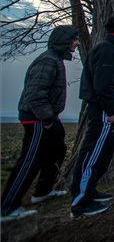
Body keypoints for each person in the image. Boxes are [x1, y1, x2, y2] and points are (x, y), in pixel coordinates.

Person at [1, 26, 80, 222]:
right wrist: (46, 119)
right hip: (36, 118)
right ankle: (7, 207)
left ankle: (43, 191)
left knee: (57, 149)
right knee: (30, 159)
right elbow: (35, 94)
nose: (77, 43)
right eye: (74, 40)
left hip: (47, 116)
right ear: (64, 41)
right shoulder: (47, 61)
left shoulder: (54, 59)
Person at [71, 16, 114, 218]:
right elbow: (103, 85)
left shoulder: (111, 49)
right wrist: (111, 110)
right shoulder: (107, 50)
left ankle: (90, 192)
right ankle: (80, 203)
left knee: (102, 154)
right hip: (103, 111)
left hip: (106, 109)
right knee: (92, 153)